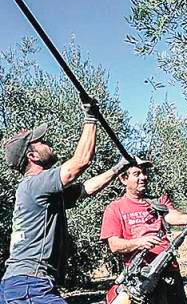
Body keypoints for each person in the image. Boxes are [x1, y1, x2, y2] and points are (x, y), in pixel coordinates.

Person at [0, 99, 132, 304]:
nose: (48, 144)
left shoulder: (40, 190)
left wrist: (118, 168)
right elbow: (79, 163)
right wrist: (90, 118)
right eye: (41, 142)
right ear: (32, 155)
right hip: (29, 285)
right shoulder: (36, 183)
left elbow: (85, 189)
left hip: (23, 284)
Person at [100, 159, 187, 304]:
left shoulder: (158, 201)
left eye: (144, 173)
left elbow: (171, 215)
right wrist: (139, 242)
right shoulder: (115, 208)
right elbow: (114, 244)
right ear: (124, 179)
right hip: (141, 280)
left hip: (170, 273)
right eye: (137, 174)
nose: (143, 177)